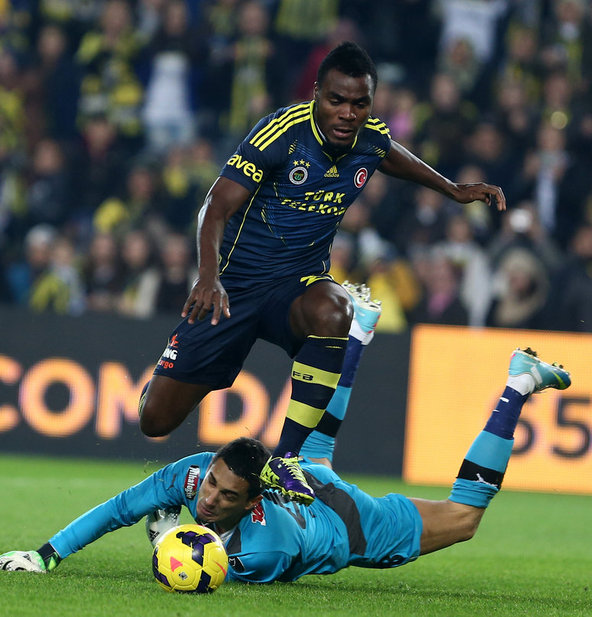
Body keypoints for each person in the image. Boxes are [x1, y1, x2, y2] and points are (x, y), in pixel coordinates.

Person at [138, 41, 507, 505]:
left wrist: (451, 190)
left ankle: (285, 459)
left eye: (360, 103)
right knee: (155, 421)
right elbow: (215, 206)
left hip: (296, 285)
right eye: (337, 100)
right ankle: (179, 373)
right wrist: (208, 277)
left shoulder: (369, 137)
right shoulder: (281, 132)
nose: (348, 114)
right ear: (316, 93)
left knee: (336, 310)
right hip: (233, 288)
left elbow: (390, 153)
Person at [0, 348, 570, 582]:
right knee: (310, 455)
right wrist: (45, 555)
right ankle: (357, 334)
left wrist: (166, 541)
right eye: (212, 483)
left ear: (253, 500)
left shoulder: (264, 551)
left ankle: (518, 384)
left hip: (350, 524)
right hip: (304, 481)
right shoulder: (193, 474)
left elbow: (200, 571)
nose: (208, 498)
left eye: (226, 496)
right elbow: (119, 509)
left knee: (464, 518)